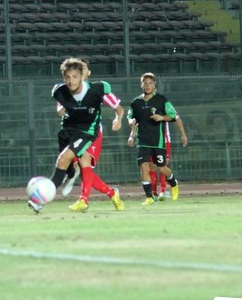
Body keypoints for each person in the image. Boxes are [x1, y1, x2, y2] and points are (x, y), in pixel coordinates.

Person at [30, 57, 124, 213]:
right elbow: (60, 109)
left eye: (75, 76)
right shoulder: (59, 92)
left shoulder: (98, 90)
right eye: (67, 77)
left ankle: (79, 200)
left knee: (78, 160)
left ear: (84, 75)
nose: (71, 80)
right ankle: (109, 192)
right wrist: (63, 109)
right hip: (68, 131)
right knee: (73, 165)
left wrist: (118, 119)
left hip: (88, 132)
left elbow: (119, 109)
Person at [126, 72, 184, 206]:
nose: (147, 86)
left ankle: (174, 183)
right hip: (142, 141)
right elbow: (130, 117)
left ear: (154, 85)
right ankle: (149, 197)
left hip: (157, 141)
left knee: (162, 168)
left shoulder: (161, 100)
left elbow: (173, 116)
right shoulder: (136, 102)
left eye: (150, 83)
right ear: (141, 85)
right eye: (145, 83)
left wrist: (162, 117)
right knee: (144, 166)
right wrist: (131, 127)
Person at [149, 114, 188, 200]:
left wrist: (183, 134)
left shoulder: (165, 107)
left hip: (164, 141)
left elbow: (177, 117)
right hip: (150, 141)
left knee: (163, 166)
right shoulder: (145, 107)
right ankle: (153, 193)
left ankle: (162, 191)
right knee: (151, 166)